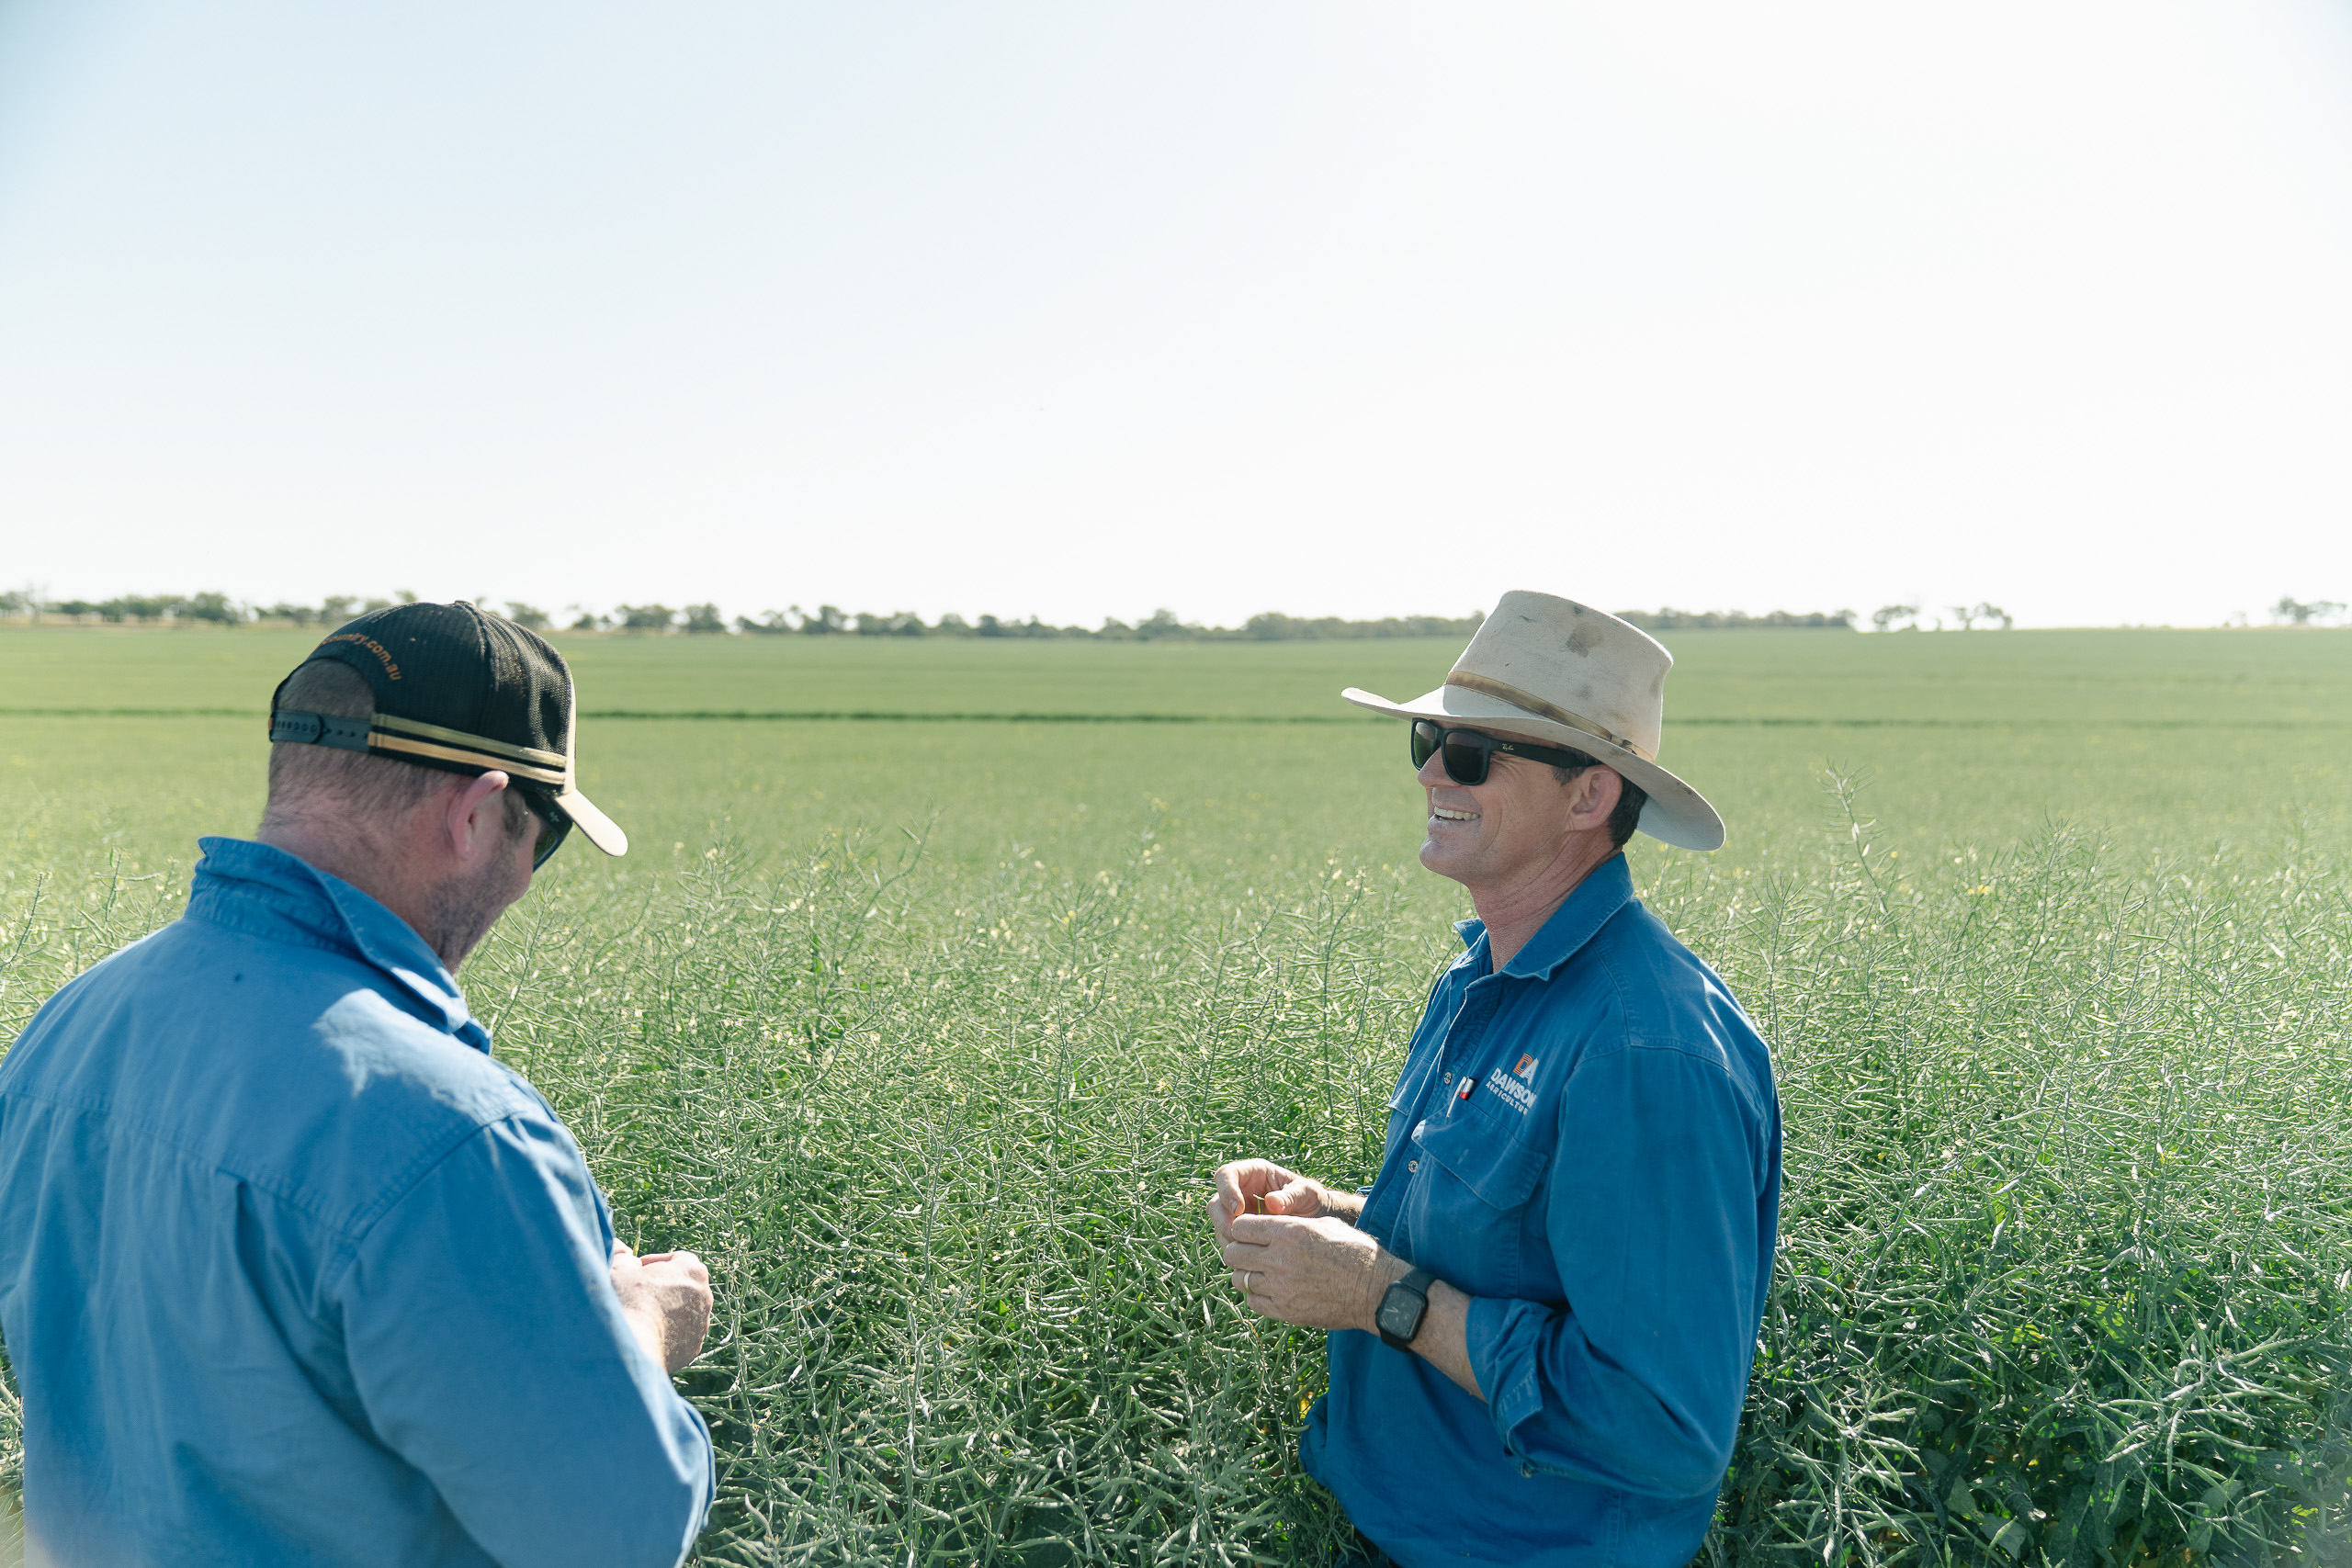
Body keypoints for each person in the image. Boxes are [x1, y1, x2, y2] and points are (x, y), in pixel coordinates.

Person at [0, 602, 717, 1567]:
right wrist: (642, 1324)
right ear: (473, 813)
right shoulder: (451, 1134)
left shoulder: (72, 1026)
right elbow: (617, 1532)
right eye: (537, 839)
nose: (526, 879)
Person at [1209, 591, 1781, 1568]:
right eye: (1428, 740)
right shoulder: (1486, 974)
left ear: (1589, 797)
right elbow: (1515, 1244)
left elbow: (1660, 1430)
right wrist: (1341, 1219)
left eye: (1472, 754)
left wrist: (1381, 1294)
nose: (1432, 769)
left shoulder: (1646, 1051)